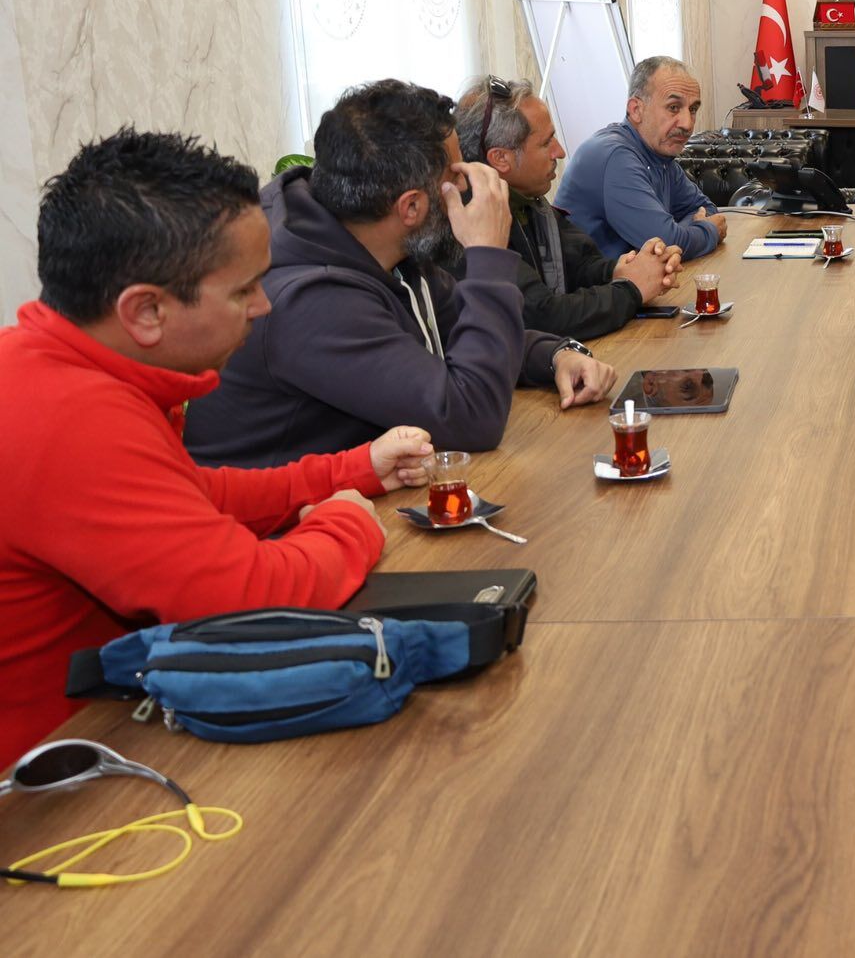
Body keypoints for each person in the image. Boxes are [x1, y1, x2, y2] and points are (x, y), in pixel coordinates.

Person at [0, 129, 436, 761]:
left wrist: (353, 469)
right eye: (241, 290)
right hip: (60, 791)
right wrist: (346, 521)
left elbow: (185, 495)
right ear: (145, 312)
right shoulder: (72, 417)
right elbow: (250, 600)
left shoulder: (52, 365)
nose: (263, 306)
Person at [185, 81, 618, 467]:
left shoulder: (377, 238)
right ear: (410, 207)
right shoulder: (310, 300)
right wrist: (487, 253)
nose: (467, 186)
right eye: (455, 176)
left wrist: (556, 355)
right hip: (282, 534)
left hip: (369, 501)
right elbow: (471, 419)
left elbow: (463, 327)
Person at [455, 76, 680, 340]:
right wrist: (631, 289)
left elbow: (580, 265)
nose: (560, 152)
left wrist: (621, 270)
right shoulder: (469, 222)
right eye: (546, 142)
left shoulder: (527, 201)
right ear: (501, 158)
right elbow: (542, 317)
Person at [557, 56, 728, 261]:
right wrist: (706, 230)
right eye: (673, 107)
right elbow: (666, 242)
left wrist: (684, 232)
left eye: (692, 109)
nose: (687, 123)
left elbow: (705, 208)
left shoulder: (659, 154)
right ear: (636, 110)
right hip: (593, 289)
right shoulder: (616, 156)